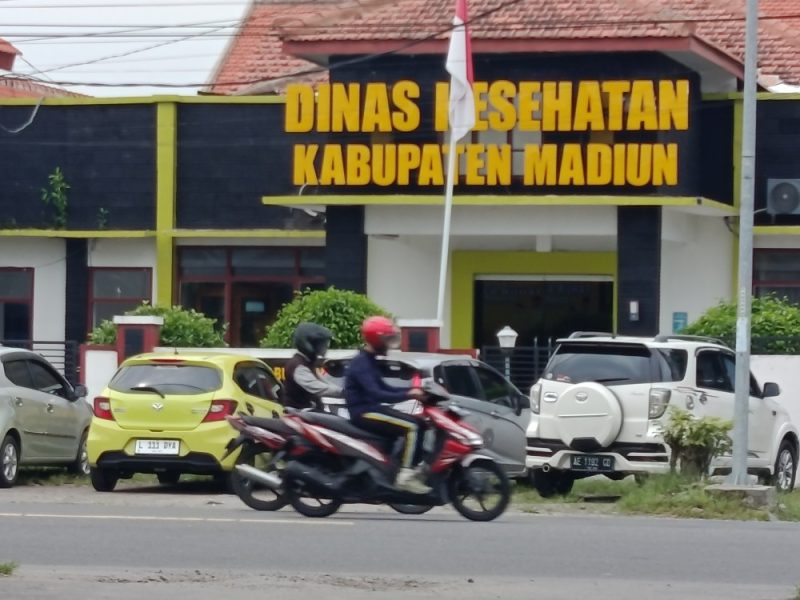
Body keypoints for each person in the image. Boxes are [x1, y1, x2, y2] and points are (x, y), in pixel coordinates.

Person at [343, 315, 430, 494]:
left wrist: (413, 392)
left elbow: (385, 388)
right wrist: (409, 394)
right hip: (364, 412)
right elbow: (377, 393)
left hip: (373, 408)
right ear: (377, 339)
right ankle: (405, 477)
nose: (389, 344)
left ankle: (394, 469)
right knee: (412, 427)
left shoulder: (370, 360)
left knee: (420, 422)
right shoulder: (362, 363)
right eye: (387, 339)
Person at [282, 322, 342, 411]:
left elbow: (322, 381)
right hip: (297, 413)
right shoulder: (298, 366)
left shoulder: (307, 362)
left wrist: (343, 390)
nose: (325, 346)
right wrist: (343, 392)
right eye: (320, 343)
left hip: (307, 412)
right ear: (309, 343)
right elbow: (316, 387)